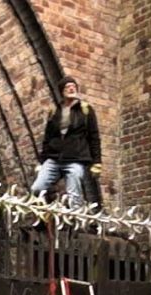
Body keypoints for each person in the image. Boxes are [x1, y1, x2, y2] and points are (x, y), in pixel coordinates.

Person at [30, 76, 101, 208]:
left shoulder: (85, 110)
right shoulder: (55, 111)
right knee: (37, 189)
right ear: (62, 91)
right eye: (68, 87)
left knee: (74, 196)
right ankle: (47, 216)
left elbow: (94, 137)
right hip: (54, 159)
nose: (71, 88)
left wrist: (97, 162)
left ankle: (77, 222)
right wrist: (41, 162)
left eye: (73, 86)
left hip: (75, 159)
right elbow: (48, 138)